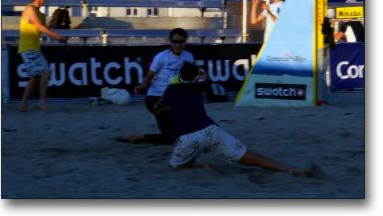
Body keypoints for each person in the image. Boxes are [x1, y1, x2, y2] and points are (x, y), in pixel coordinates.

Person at [153, 63, 312, 177]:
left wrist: (173, 107)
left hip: (189, 138)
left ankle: (201, 168)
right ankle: (288, 170)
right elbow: (202, 80)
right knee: (250, 156)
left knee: (175, 167)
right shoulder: (200, 87)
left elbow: (156, 108)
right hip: (211, 131)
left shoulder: (171, 89)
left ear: (179, 77)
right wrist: (202, 75)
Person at [115, 28, 194, 145]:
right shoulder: (161, 57)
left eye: (181, 42)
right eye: (175, 41)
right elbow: (150, 75)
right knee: (170, 139)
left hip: (174, 99)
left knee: (177, 135)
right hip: (156, 99)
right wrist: (142, 87)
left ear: (185, 42)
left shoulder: (188, 57)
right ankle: (140, 137)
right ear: (170, 42)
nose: (178, 45)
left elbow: (190, 77)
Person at [18, 0, 67, 112]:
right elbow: (39, 26)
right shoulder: (30, 9)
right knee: (46, 72)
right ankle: (42, 102)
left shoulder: (40, 14)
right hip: (27, 48)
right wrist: (58, 37)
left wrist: (55, 29)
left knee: (35, 77)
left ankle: (23, 105)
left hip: (34, 48)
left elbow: (44, 29)